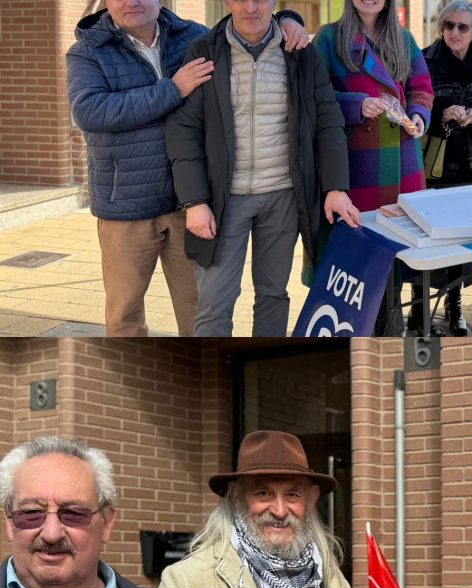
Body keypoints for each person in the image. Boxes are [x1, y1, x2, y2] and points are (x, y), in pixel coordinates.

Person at [66, 0, 307, 337]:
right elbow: (91, 111)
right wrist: (173, 89)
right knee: (125, 318)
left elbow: (246, 23)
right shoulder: (88, 51)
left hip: (190, 204)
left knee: (197, 312)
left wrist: (289, 20)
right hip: (128, 207)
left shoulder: (191, 36)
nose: (132, 2)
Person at [166, 0, 359, 338]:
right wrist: (194, 201)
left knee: (273, 295)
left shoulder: (300, 52)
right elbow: (185, 129)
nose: (251, 8)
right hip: (224, 200)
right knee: (213, 303)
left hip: (283, 196)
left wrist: (335, 187)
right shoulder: (204, 51)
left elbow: (328, 120)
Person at [158, 430, 362, 588]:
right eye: (263, 493)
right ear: (237, 496)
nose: (279, 510)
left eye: (292, 494)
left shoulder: (330, 581)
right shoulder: (186, 584)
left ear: (311, 499)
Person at [0, 437, 205, 588]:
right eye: (32, 513)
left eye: (73, 513)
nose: (52, 534)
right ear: (9, 523)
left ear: (107, 523)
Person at [315, 0, 434, 335]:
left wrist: (419, 115)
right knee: (360, 258)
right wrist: (357, 105)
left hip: (403, 162)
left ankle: (390, 332)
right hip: (356, 165)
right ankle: (360, 331)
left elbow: (422, 89)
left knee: (397, 256)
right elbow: (314, 96)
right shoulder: (329, 38)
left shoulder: (403, 38)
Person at [418, 0, 472, 336]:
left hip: (468, 165)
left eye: (462, 27)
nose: (454, 32)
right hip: (429, 165)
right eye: (449, 25)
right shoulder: (424, 60)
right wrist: (440, 112)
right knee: (425, 241)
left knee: (459, 243)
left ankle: (454, 308)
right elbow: (412, 106)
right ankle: (419, 312)